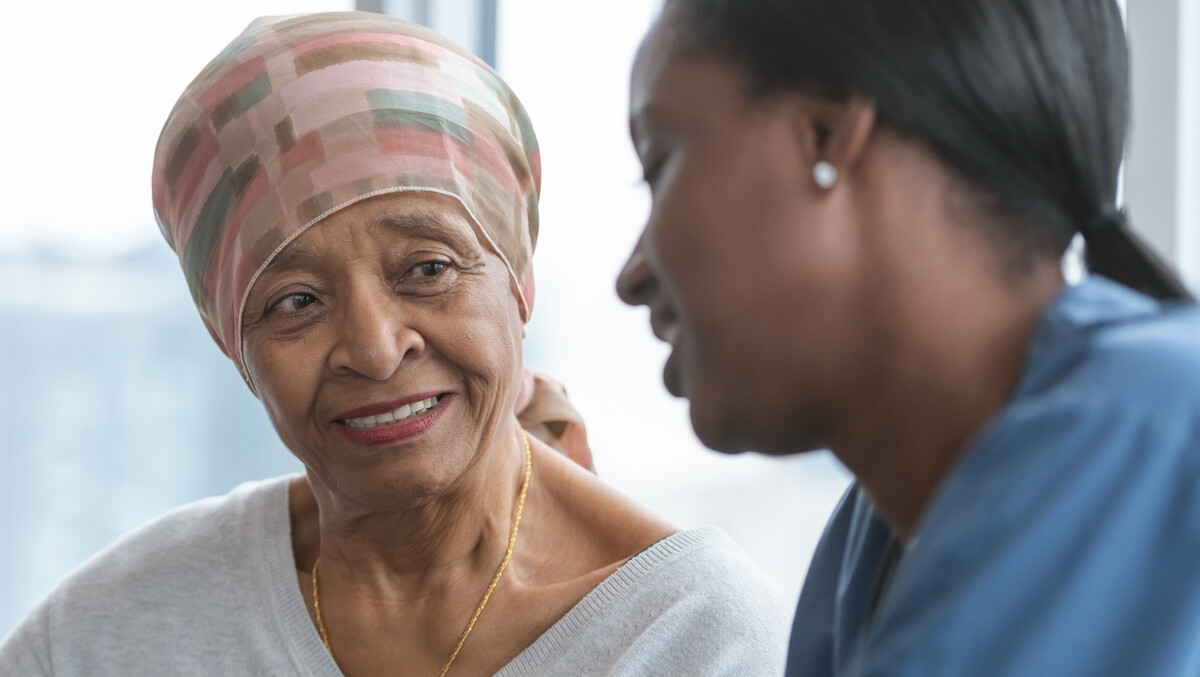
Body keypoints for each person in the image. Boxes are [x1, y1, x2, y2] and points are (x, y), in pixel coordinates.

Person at [0, 11, 790, 676]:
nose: (375, 349)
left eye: (427, 268)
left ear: (518, 277)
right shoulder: (105, 638)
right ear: (232, 344)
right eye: (296, 301)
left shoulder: (694, 637)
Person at [616, 0, 1200, 675]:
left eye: (658, 165)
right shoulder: (867, 552)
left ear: (826, 132)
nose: (632, 276)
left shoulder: (1140, 438)